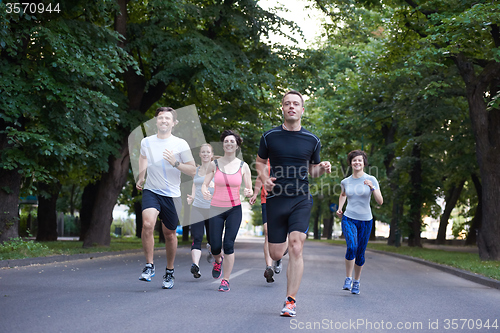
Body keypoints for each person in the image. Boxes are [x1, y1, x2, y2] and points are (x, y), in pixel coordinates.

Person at [256, 90, 331, 317]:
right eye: (287, 103)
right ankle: (282, 250)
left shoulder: (312, 140)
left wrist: (322, 168)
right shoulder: (269, 137)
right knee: (277, 253)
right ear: (282, 108)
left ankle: (290, 301)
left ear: (302, 110)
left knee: (297, 246)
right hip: (276, 199)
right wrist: (264, 178)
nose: (291, 107)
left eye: (295, 104)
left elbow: (313, 171)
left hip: (300, 198)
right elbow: (259, 162)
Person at [136, 107, 196, 289]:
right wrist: (141, 176)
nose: (163, 121)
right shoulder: (147, 142)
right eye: (160, 118)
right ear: (156, 121)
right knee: (147, 224)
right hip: (151, 190)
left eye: (167, 118)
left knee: (169, 234)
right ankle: (149, 265)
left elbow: (193, 170)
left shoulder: (180, 144)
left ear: (173, 123)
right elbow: (143, 157)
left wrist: (175, 163)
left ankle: (169, 271)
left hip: (172, 194)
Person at [202, 130, 253, 292]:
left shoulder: (243, 166)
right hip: (216, 208)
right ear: (222, 144)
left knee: (228, 244)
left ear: (237, 145)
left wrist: (248, 192)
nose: (229, 144)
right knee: (215, 245)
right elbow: (205, 183)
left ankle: (226, 280)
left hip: (234, 209)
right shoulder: (214, 164)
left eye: (232, 142)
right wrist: (204, 190)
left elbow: (249, 188)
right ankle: (218, 260)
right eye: (226, 141)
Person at [336, 149, 383, 295]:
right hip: (349, 218)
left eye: (360, 160)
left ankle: (357, 281)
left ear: (364, 163)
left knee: (360, 253)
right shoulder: (345, 181)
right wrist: (339, 208)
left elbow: (380, 201)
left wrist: (372, 188)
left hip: (366, 221)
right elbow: (343, 194)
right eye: (354, 160)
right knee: (352, 247)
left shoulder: (372, 179)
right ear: (350, 163)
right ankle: (348, 278)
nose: (357, 162)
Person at [249, 160, 287, 283]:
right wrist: (255, 194)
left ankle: (278, 256)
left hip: (284, 199)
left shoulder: (286, 157)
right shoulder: (266, 161)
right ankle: (269, 267)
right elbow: (260, 178)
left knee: (284, 231)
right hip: (267, 199)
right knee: (267, 231)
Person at [186, 143, 215, 278]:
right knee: (196, 237)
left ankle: (211, 250)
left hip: (212, 209)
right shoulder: (196, 170)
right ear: (199, 154)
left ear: (211, 155)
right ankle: (195, 266)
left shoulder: (216, 170)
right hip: (197, 207)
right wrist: (191, 196)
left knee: (212, 240)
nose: (205, 154)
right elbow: (194, 184)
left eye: (207, 152)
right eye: (202, 152)